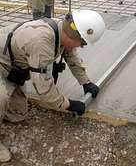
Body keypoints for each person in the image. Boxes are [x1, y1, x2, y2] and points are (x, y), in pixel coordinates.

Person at [0, 9, 106, 162]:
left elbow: (72, 57)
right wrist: (69, 104)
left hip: (10, 68)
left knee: (17, 115)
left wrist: (86, 82)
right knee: (1, 98)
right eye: (82, 43)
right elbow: (44, 89)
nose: (82, 47)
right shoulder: (42, 41)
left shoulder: (61, 31)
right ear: (75, 35)